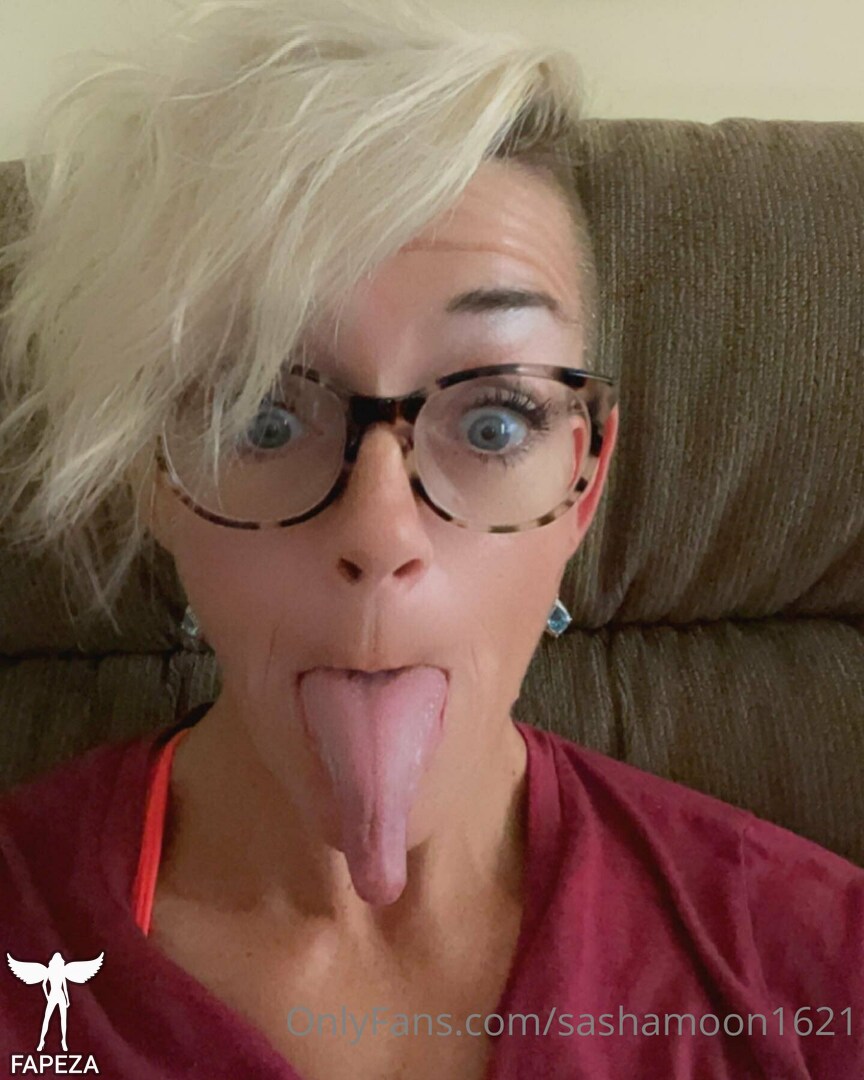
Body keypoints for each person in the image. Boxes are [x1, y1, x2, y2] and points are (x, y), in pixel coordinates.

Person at [0, 2, 861, 1078]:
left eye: (494, 421)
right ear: (155, 480)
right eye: (262, 418)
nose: (380, 531)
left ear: (584, 480)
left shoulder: (818, 973)